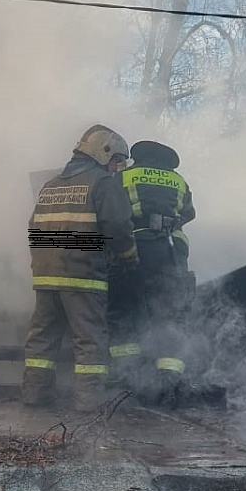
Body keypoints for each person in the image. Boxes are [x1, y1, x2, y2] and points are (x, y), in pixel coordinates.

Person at [22, 125, 137, 411]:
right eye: (116, 160)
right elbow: (118, 227)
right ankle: (89, 403)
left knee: (42, 339)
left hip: (46, 275)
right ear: (103, 152)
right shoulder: (103, 183)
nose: (116, 168)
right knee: (90, 340)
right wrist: (128, 256)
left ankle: (35, 395)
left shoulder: (50, 185)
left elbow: (33, 227)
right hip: (83, 276)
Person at [107, 139, 195, 406]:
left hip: (134, 251)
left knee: (125, 309)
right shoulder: (179, 181)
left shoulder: (123, 176)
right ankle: (169, 383)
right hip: (171, 253)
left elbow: (111, 213)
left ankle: (130, 379)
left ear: (138, 156)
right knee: (171, 313)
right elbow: (189, 213)